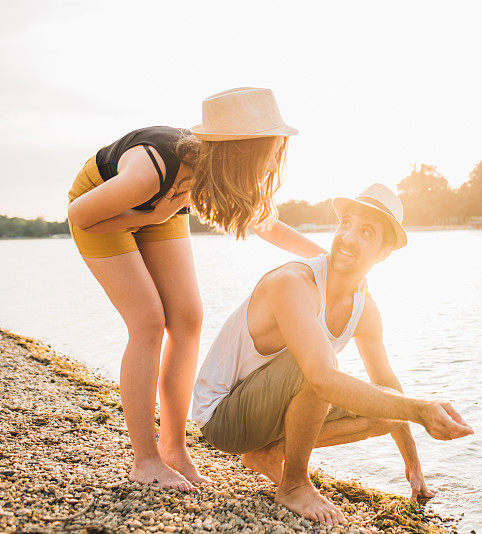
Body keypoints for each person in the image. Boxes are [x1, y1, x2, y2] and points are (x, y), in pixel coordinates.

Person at [66, 88, 327, 492]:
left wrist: (327, 260)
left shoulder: (208, 171)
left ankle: (173, 449)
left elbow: (265, 224)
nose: (276, 158)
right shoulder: (151, 171)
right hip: (102, 207)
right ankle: (145, 460)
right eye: (272, 149)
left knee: (188, 317)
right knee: (148, 322)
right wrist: (151, 213)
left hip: (159, 207)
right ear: (243, 152)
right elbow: (80, 217)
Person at [192, 184, 474, 525]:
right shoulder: (294, 282)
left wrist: (413, 467)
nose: (348, 237)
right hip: (223, 418)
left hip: (265, 415)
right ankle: (294, 484)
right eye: (346, 224)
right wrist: (420, 410)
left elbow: (386, 382)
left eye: (365, 232)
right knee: (316, 366)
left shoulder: (365, 306)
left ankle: (268, 455)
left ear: (384, 253)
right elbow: (320, 378)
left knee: (389, 409)